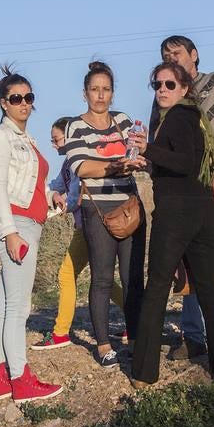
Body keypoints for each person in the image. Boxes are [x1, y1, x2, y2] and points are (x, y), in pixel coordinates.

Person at [127, 60, 214, 387]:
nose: (162, 91)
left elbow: (185, 163)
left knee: (157, 288)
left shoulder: (178, 118)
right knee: (207, 289)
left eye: (169, 85)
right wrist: (148, 163)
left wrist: (147, 147)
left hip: (178, 215)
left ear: (184, 88)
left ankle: (144, 371)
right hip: (202, 212)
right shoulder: (196, 119)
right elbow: (184, 167)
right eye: (157, 85)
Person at [154, 35, 214, 358]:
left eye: (176, 53)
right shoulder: (167, 93)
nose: (171, 58)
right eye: (166, 55)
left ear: (193, 55)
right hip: (190, 184)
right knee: (191, 258)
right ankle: (193, 336)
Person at [0, 66, 63, 402]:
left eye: (29, 97)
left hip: (27, 223)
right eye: (16, 98)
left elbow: (31, 188)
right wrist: (11, 232)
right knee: (18, 306)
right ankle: (21, 378)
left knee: (4, 306)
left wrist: (53, 199)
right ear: (4, 103)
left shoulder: (26, 139)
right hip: (14, 226)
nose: (24, 103)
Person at [61, 61, 147, 369]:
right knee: (101, 278)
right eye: (95, 89)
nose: (100, 95)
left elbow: (137, 155)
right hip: (97, 209)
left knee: (133, 279)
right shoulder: (75, 126)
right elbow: (82, 167)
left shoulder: (124, 121)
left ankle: (137, 339)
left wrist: (140, 153)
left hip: (131, 206)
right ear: (84, 93)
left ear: (113, 93)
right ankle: (103, 345)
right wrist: (116, 165)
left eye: (106, 89)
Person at [32, 117, 124, 350]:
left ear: (70, 136)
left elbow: (79, 197)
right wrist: (55, 195)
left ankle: (61, 332)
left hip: (90, 225)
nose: (54, 145)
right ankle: (135, 317)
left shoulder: (81, 162)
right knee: (103, 280)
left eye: (56, 140)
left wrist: (65, 204)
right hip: (82, 227)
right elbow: (56, 185)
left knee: (67, 274)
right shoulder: (67, 165)